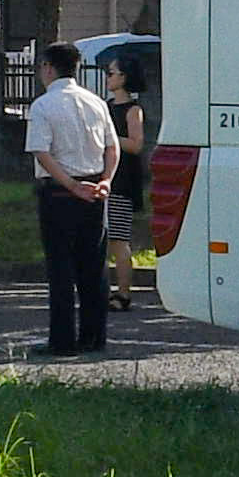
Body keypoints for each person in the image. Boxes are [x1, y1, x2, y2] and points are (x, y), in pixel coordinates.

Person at [24, 40, 116, 355]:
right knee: (94, 265)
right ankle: (94, 336)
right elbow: (111, 147)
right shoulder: (97, 102)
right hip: (95, 188)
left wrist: (69, 183)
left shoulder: (43, 106)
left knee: (61, 267)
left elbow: (42, 151)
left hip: (59, 191)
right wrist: (105, 180)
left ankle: (62, 340)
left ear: (49, 68)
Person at [100, 42, 158, 310]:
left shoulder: (133, 109)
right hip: (104, 176)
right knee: (103, 238)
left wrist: (109, 137)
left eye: (111, 73)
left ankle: (123, 294)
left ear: (124, 77)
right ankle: (105, 290)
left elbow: (136, 144)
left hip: (123, 181)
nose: (108, 78)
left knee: (119, 239)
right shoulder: (105, 107)